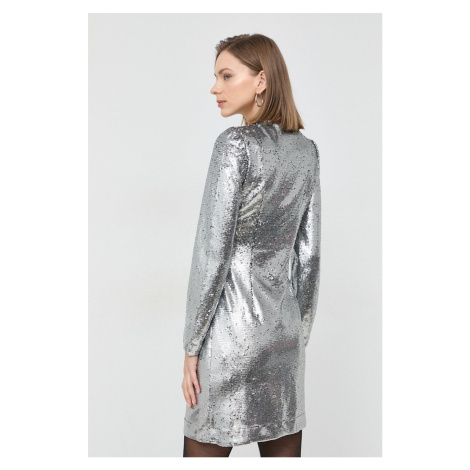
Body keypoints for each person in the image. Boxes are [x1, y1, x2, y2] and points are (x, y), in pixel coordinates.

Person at [181, 33, 321, 457]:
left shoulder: (234, 145)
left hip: (230, 337)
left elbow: (212, 253)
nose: (215, 88)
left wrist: (191, 346)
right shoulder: (307, 151)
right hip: (284, 338)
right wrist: (297, 337)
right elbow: (308, 257)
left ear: (261, 80)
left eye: (226, 76)